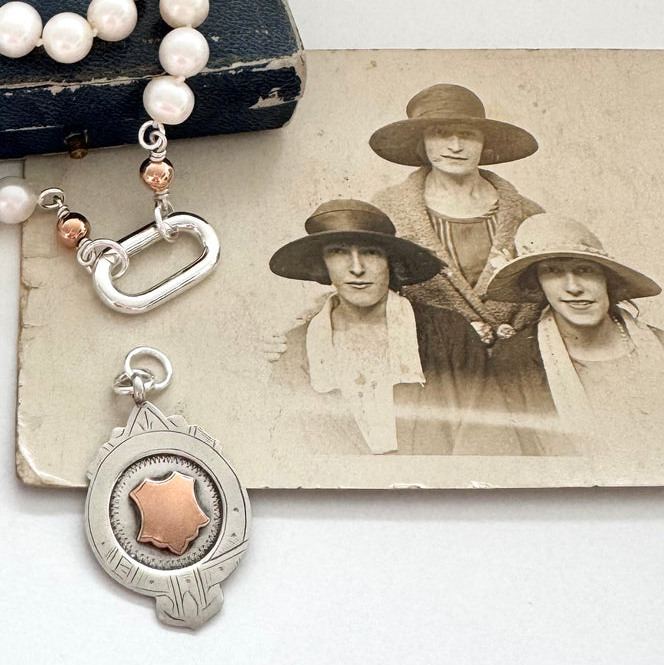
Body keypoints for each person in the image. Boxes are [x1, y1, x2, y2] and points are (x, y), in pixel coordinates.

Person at [268, 199, 489, 455]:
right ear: (323, 264)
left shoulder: (450, 332)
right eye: (338, 252)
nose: (357, 269)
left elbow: (484, 436)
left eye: (371, 252)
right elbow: (286, 446)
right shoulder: (295, 349)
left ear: (390, 261)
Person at [369, 83, 544, 345]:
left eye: (467, 134)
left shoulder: (528, 214)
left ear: (484, 142)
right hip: (427, 359)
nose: (456, 146)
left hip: (517, 362)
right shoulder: (388, 209)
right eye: (440, 133)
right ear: (422, 141)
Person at [479, 213, 664, 458]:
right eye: (553, 272)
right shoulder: (515, 360)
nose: (574, 287)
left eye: (585, 270)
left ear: (607, 279)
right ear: (538, 284)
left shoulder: (658, 345)